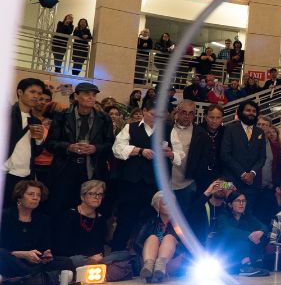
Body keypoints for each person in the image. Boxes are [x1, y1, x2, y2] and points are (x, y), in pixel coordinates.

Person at [43, 82, 115, 219]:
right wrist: (68, 147)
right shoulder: (62, 115)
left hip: (92, 170)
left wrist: (96, 148)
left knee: (88, 212)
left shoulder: (104, 118)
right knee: (59, 210)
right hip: (65, 169)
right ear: (76, 96)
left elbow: (110, 144)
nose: (91, 97)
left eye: (93, 94)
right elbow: (50, 143)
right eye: (87, 94)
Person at [110, 101, 174, 251]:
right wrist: (139, 151)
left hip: (155, 182)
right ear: (144, 111)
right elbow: (117, 148)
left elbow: (180, 155)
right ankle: (117, 255)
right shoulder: (130, 127)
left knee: (152, 219)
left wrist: (171, 154)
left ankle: (148, 256)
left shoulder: (169, 130)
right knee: (126, 219)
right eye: (153, 114)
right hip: (132, 181)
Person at [52, 180, 131, 280]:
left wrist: (98, 257)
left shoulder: (100, 219)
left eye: (100, 194)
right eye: (92, 194)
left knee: (124, 254)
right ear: (82, 196)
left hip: (94, 259)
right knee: (76, 260)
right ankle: (104, 270)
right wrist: (89, 258)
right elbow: (60, 247)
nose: (97, 197)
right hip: (74, 258)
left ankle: (98, 267)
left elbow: (99, 245)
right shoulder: (70, 215)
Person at [0, 181, 75, 284]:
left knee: (66, 261)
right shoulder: (4, 216)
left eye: (38, 195)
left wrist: (45, 255)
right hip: (12, 261)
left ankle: (29, 277)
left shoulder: (43, 219)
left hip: (33, 264)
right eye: (30, 194)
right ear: (19, 196)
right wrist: (22, 254)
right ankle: (34, 276)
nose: (35, 198)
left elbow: (45, 245)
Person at [4, 78, 44, 208]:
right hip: (5, 172)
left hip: (25, 174)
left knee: (17, 212)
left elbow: (36, 152)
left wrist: (39, 139)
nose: (36, 96)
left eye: (39, 93)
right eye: (32, 91)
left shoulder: (36, 121)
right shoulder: (6, 113)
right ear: (20, 92)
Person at [220, 100, 266, 208]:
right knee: (227, 210)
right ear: (241, 112)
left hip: (251, 184)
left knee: (247, 213)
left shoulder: (260, 132)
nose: (251, 113)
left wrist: (252, 174)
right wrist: (242, 174)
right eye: (248, 110)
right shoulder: (230, 129)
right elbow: (225, 155)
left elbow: (262, 157)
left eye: (254, 111)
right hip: (231, 181)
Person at [213, 191, 269, 276]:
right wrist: (249, 235)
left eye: (243, 201)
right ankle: (245, 266)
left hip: (244, 248)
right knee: (242, 236)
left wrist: (260, 232)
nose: (241, 204)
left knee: (258, 234)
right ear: (230, 204)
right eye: (238, 201)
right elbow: (226, 230)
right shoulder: (224, 215)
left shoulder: (247, 215)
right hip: (227, 249)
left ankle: (258, 264)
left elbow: (264, 227)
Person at [133, 192, 185, 283]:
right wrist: (154, 254)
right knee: (153, 238)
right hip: (149, 263)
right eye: (165, 204)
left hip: (171, 261)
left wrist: (168, 252)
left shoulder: (181, 223)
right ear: (157, 208)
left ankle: (160, 266)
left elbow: (186, 244)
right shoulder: (150, 222)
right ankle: (151, 267)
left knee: (169, 238)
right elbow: (137, 243)